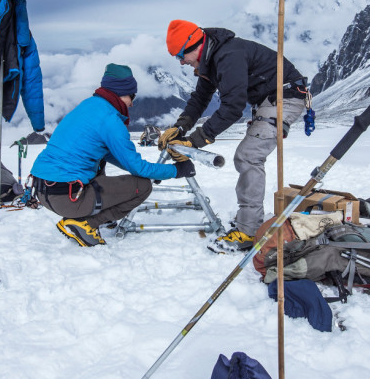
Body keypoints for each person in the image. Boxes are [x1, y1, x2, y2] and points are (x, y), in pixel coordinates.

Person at [159, 20, 309, 253]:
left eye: (181, 54)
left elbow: (233, 106)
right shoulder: (210, 58)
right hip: (267, 99)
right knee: (247, 156)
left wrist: (195, 140)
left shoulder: (228, 56)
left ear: (195, 45)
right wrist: (180, 128)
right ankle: (247, 221)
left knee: (248, 156)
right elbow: (200, 98)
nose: (181, 61)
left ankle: (248, 231)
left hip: (284, 98)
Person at [31, 63, 196, 247]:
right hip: (69, 197)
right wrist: (176, 170)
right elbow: (137, 167)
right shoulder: (111, 120)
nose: (132, 103)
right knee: (142, 187)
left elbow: (109, 155)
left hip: (43, 191)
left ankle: (98, 216)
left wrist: (153, 171)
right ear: (120, 93)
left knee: (100, 162)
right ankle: (86, 223)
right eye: (131, 96)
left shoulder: (88, 106)